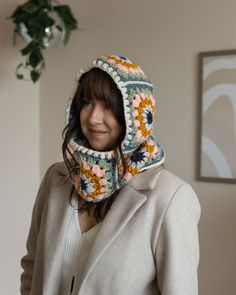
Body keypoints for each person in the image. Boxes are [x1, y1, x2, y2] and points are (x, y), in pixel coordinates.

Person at [20, 55, 201, 295]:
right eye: (87, 103)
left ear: (136, 118)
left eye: (108, 106)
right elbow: (32, 267)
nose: (94, 118)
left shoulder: (170, 198)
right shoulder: (56, 179)